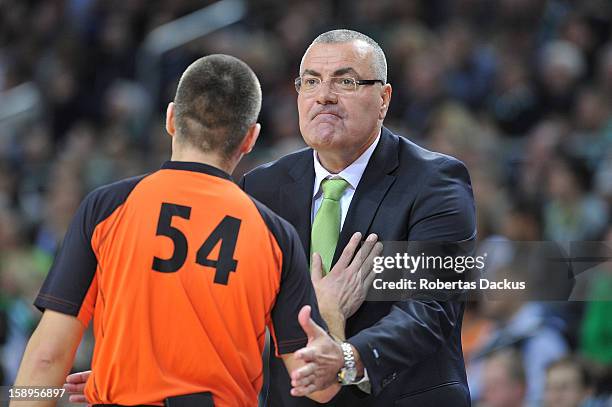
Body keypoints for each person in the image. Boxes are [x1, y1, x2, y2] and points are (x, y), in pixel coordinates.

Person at [66, 29, 476, 406]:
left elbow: (430, 311)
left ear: (384, 98)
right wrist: (140, 373)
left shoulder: (434, 181)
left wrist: (346, 357)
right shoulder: (262, 186)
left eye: (345, 81)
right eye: (311, 81)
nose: (324, 95)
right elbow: (219, 314)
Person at [12, 54, 380, 407]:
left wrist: (125, 375)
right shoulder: (275, 235)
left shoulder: (107, 207)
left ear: (171, 119)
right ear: (250, 139)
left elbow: (47, 360)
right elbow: (318, 386)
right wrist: (330, 312)